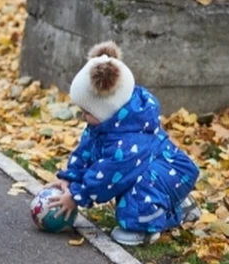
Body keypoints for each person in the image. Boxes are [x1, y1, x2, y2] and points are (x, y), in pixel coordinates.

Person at [46, 41, 201, 246]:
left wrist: (77, 196)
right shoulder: (106, 125)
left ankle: (149, 227)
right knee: (137, 186)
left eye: (87, 111)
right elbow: (86, 152)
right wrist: (70, 178)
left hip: (170, 172)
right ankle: (176, 203)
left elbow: (107, 174)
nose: (83, 116)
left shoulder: (127, 142)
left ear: (106, 108)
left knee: (136, 199)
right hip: (160, 173)